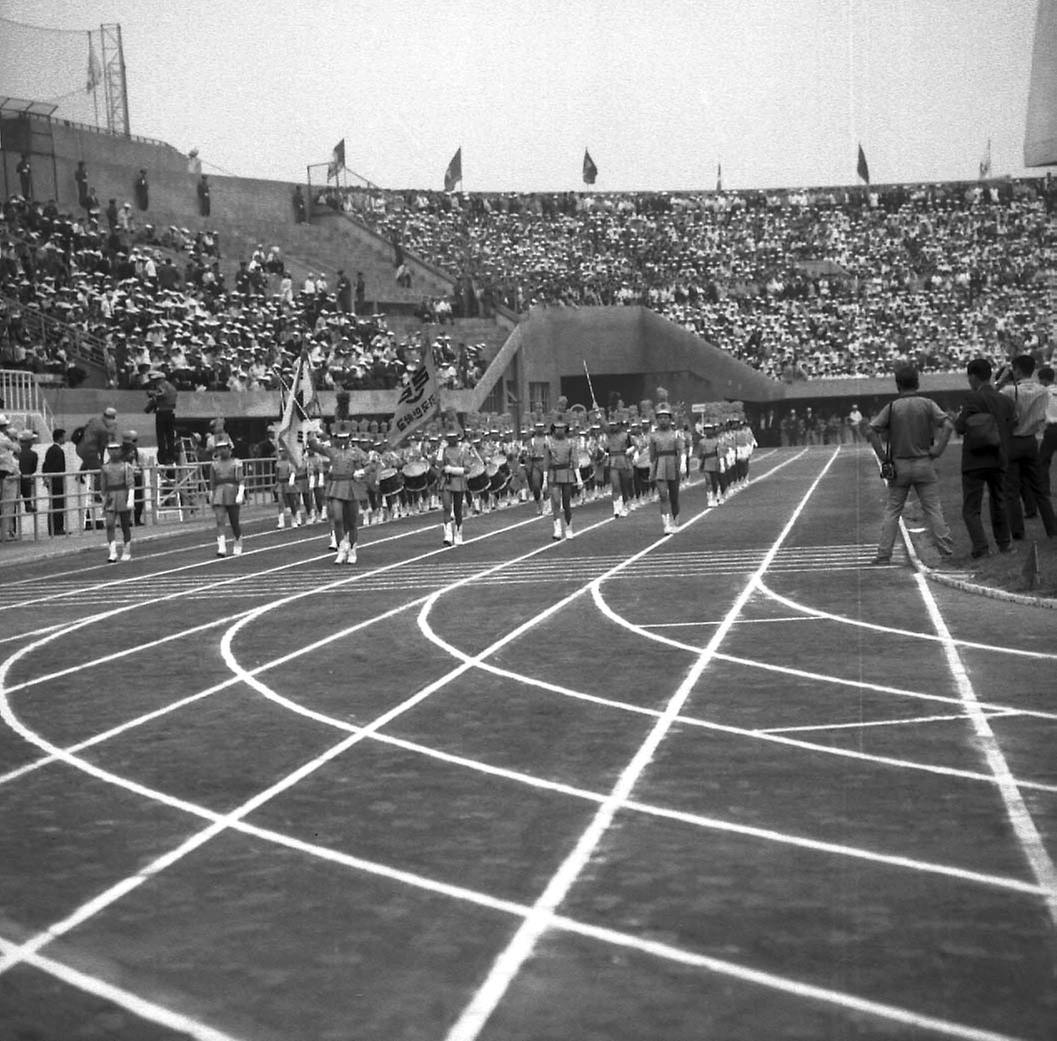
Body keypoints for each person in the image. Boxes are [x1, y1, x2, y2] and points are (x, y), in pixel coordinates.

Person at [865, 365, 954, 565]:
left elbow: (871, 431)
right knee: (933, 509)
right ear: (917, 383)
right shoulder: (927, 404)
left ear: (898, 385)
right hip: (924, 462)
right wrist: (938, 450)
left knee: (893, 510)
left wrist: (883, 457)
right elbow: (948, 425)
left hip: (900, 465)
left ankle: (883, 554)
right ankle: (947, 553)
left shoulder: (892, 407)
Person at [953, 358, 1015, 558]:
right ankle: (1005, 545)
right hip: (999, 457)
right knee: (999, 501)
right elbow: (1014, 422)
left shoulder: (972, 399)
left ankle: (981, 548)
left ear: (972, 376)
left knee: (971, 508)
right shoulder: (1005, 400)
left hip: (975, 459)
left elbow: (960, 427)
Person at [998, 354, 1057, 540]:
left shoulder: (1008, 390)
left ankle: (1017, 532)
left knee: (1011, 490)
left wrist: (1001, 380)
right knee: (1039, 487)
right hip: (1031, 439)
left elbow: (991, 395)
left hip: (1013, 440)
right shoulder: (1042, 390)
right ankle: (1052, 528)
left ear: (1016, 370)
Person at [308, 421, 370, 563]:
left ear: (349, 438)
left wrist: (362, 471)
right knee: (337, 519)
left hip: (352, 486)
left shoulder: (356, 452)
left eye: (345, 438)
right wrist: (312, 430)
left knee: (352, 521)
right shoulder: (331, 450)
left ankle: (353, 550)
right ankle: (341, 547)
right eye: (339, 438)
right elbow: (314, 446)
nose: (342, 440)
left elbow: (372, 463)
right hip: (336, 486)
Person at [435, 421, 481, 546]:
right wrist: (440, 448)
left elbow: (467, 469)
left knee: (457, 510)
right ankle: (448, 535)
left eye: (453, 437)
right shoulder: (444, 450)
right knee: (446, 507)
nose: (451, 439)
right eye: (449, 437)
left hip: (458, 480)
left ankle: (458, 533)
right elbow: (438, 464)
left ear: (457, 437)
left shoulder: (463, 450)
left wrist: (453, 469)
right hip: (446, 481)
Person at [648, 392, 685, 534]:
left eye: (665, 417)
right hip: (659, 465)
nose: (663, 420)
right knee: (663, 495)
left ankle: (676, 519)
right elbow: (652, 455)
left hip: (672, 464)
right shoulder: (653, 435)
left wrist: (682, 464)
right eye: (660, 418)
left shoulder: (676, 434)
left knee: (674, 496)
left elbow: (680, 449)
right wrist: (652, 469)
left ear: (670, 419)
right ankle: (666, 523)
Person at [545, 401, 582, 540]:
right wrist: (544, 481)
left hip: (567, 473)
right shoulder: (548, 442)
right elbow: (546, 463)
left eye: (562, 428)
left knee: (566, 502)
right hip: (554, 474)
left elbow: (575, 461)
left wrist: (579, 479)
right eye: (557, 428)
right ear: (553, 428)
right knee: (555, 501)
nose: (559, 430)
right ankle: (557, 529)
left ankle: (569, 527)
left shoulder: (571, 442)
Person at [99, 440, 135, 562]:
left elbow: (130, 484)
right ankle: (112, 551)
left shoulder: (126, 466)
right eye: (111, 449)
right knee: (109, 524)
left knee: (125, 525)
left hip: (122, 496)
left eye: (116, 449)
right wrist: (102, 501)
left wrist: (130, 499)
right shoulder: (105, 467)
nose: (113, 452)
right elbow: (103, 486)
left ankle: (126, 550)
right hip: (110, 498)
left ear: (120, 450)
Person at [209, 434, 245, 556]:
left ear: (230, 449)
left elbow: (241, 479)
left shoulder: (236, 463)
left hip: (233, 492)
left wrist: (240, 493)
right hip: (219, 492)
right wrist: (211, 495)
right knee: (219, 520)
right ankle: (221, 547)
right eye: (220, 448)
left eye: (225, 448)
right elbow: (212, 482)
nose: (222, 450)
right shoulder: (214, 465)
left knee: (234, 521)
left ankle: (238, 541)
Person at [605, 412, 633, 518]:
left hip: (623, 460)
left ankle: (625, 506)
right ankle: (616, 507)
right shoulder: (609, 435)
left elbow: (635, 445)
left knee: (624, 486)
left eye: (615, 424)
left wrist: (629, 451)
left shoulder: (626, 435)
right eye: (611, 424)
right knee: (615, 484)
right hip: (613, 461)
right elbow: (602, 424)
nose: (613, 426)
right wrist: (598, 414)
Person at [145, 371, 178, 464]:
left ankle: (162, 457)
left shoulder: (162, 385)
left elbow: (162, 394)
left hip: (162, 413)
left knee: (161, 437)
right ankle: (171, 455)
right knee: (170, 436)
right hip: (170, 412)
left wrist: (153, 395)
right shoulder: (172, 387)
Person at [43, 428, 67, 536]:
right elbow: (58, 467)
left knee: (53, 504)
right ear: (60, 437)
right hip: (57, 482)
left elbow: (45, 465)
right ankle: (58, 528)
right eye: (64, 436)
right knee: (58, 504)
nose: (65, 439)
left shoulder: (50, 450)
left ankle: (53, 528)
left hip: (52, 482)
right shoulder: (58, 451)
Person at [1038, 365, 1057, 498]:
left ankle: (1045, 490)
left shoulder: (1043, 393)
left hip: (1052, 429)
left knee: (1043, 461)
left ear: (1044, 380)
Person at [0, 415, 16, 540]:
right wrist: (13, 438)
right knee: (7, 505)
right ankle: (4, 534)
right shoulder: (5, 439)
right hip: (5, 474)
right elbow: (18, 449)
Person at [17, 430, 38, 517]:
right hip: (26, 481)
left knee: (11, 507)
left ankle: (11, 529)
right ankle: (28, 503)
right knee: (27, 482)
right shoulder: (33, 454)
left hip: (14, 481)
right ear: (29, 442)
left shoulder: (15, 452)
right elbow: (33, 469)